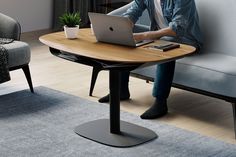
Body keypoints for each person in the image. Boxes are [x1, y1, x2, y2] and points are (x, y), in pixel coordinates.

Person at [98, 0, 203, 119]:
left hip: (186, 41)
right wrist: (126, 25)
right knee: (124, 35)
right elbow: (133, 12)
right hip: (161, 38)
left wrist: (143, 36)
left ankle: (160, 102)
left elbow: (177, 28)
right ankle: (120, 90)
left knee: (165, 45)